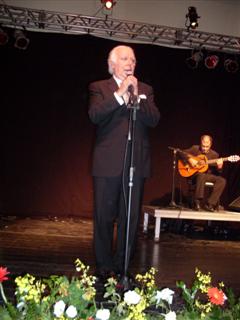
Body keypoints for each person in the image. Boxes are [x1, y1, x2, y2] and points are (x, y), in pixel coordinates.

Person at [88, 45, 160, 279]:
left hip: (136, 164)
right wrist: (120, 93)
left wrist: (137, 95)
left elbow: (154, 119)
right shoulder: (99, 87)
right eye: (125, 58)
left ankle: (123, 266)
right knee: (104, 217)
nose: (131, 63)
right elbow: (95, 115)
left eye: (134, 59)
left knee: (130, 219)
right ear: (113, 64)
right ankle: (103, 266)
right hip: (107, 163)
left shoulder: (146, 89)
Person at [181, 134, 226, 212]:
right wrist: (189, 159)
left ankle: (210, 204)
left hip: (207, 176)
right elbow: (181, 152)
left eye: (207, 146)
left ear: (210, 145)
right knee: (201, 175)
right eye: (203, 146)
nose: (204, 148)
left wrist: (219, 167)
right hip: (194, 175)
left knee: (222, 180)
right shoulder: (195, 149)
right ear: (200, 143)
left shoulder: (215, 155)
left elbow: (217, 173)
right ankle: (197, 201)